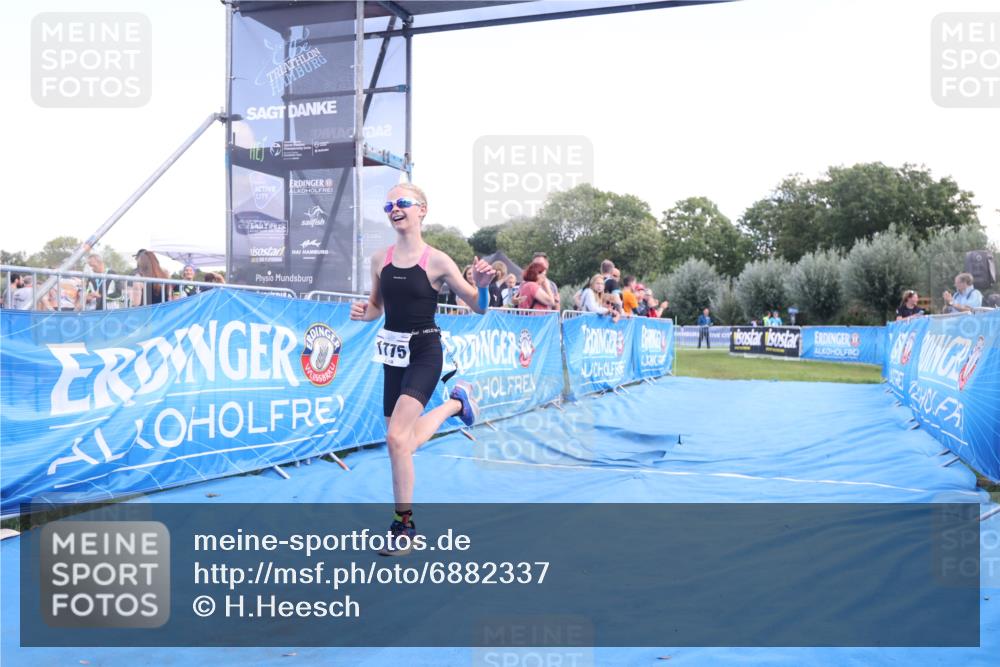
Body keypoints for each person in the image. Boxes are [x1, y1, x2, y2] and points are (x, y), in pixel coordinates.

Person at [350, 183, 494, 556]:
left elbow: (479, 306)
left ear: (422, 209)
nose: (394, 209)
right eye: (388, 206)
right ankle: (456, 404)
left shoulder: (438, 261)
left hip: (425, 351)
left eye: (402, 203)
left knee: (397, 440)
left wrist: (482, 287)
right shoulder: (379, 260)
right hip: (392, 354)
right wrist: (363, 313)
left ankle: (404, 528)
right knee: (402, 441)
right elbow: (376, 307)